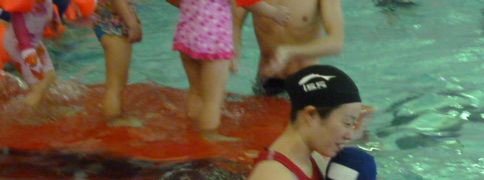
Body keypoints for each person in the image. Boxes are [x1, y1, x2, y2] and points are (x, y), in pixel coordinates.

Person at [169, 0, 289, 134]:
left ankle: (193, 130)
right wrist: (274, 13)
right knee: (212, 101)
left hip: (186, 34)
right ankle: (208, 137)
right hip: (213, 40)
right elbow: (249, 2)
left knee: (196, 91)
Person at [232, 0, 345, 96]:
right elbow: (234, 22)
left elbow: (336, 43)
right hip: (267, 80)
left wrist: (289, 52)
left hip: (307, 79)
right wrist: (235, 50)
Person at [2, 0, 59, 107]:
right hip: (20, 46)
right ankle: (23, 114)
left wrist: (55, 22)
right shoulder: (21, 8)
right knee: (38, 87)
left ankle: (43, 107)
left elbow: (50, 11)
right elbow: (22, 39)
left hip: (34, 43)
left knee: (50, 77)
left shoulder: (46, 1)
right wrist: (32, 62)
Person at [92, 0, 142, 121]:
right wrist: (132, 24)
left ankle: (115, 116)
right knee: (115, 87)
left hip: (107, 21)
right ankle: (113, 123)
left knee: (117, 85)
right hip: (113, 26)